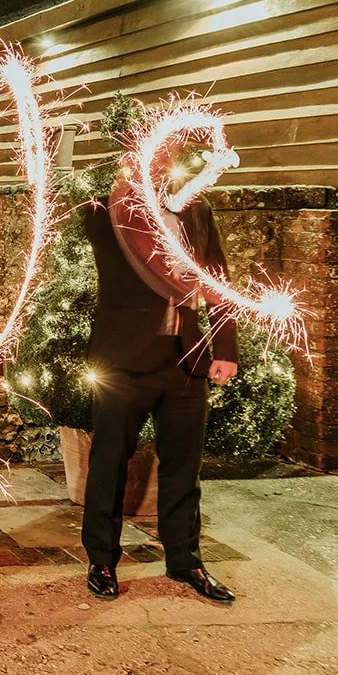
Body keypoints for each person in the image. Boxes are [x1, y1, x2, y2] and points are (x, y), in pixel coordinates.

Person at [80, 152, 239, 604]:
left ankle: (186, 560)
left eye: (166, 154)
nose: (158, 162)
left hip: (187, 357)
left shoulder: (197, 209)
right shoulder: (104, 210)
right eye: (148, 154)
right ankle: (102, 560)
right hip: (124, 359)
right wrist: (134, 198)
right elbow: (120, 249)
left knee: (184, 467)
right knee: (109, 462)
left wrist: (225, 350)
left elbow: (219, 279)